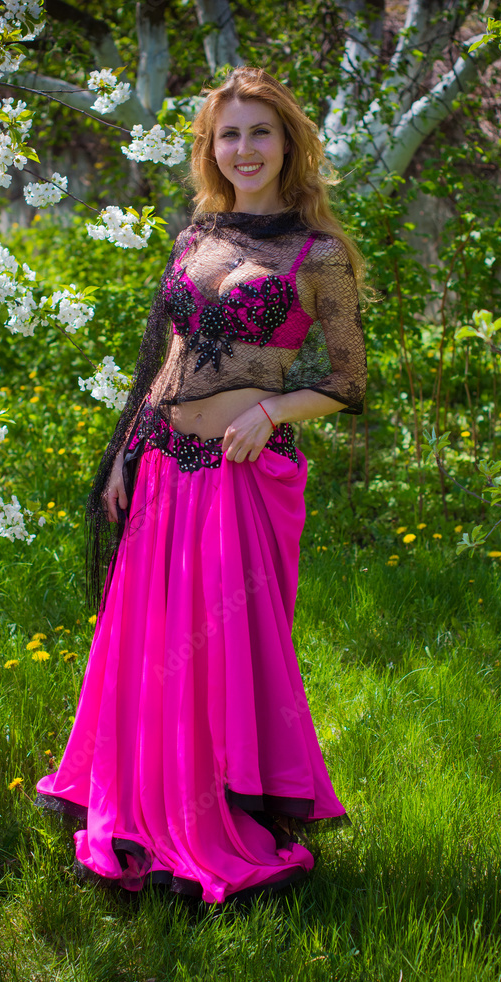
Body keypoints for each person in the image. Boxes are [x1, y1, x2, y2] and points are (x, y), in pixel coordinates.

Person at [35, 67, 368, 905]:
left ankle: (217, 807)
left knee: (220, 649)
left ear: (287, 143)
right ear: (210, 149)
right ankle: (140, 798)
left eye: (260, 132)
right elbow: (168, 361)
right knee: (151, 645)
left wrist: (274, 410)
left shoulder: (318, 254)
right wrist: (124, 454)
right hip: (161, 469)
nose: (244, 148)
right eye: (229, 135)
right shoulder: (197, 238)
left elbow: (348, 380)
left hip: (237, 475)